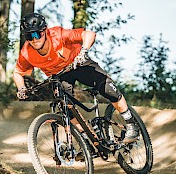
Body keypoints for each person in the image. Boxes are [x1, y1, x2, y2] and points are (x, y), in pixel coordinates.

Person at [13, 13, 139, 143]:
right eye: (29, 36)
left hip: (78, 63)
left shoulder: (58, 34)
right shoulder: (27, 53)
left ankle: (131, 124)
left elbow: (89, 34)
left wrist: (84, 51)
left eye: (37, 34)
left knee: (106, 87)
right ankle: (84, 138)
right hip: (59, 75)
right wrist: (21, 88)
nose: (34, 39)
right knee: (65, 107)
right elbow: (18, 72)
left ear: (45, 31)